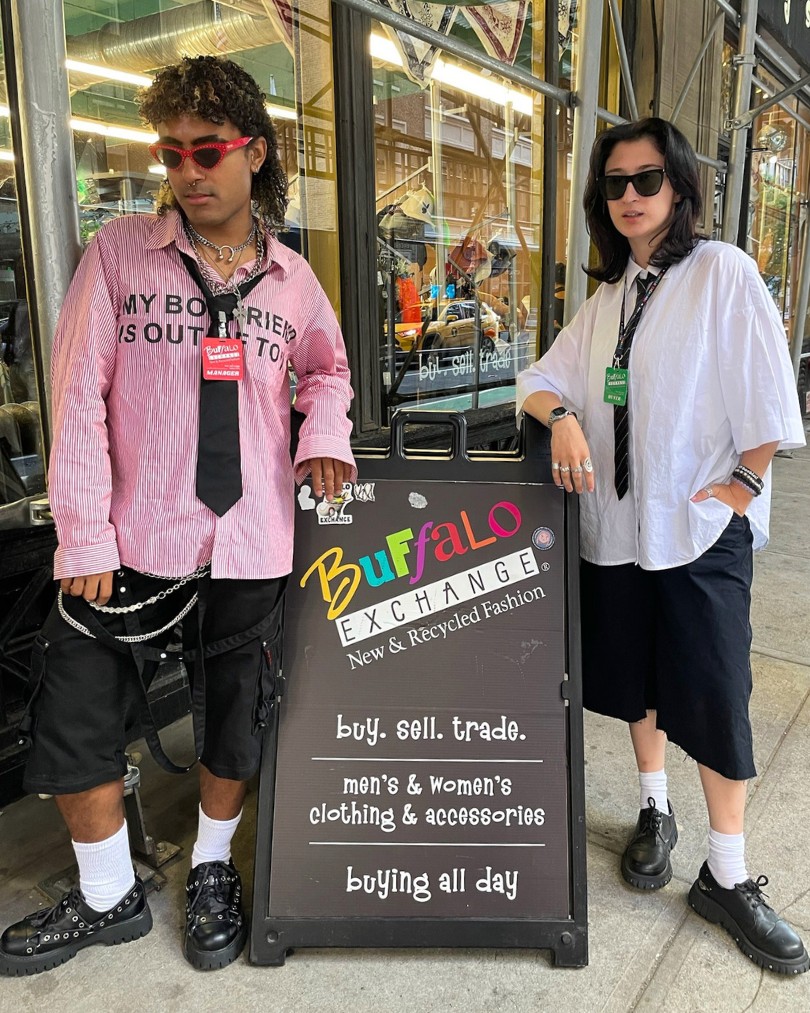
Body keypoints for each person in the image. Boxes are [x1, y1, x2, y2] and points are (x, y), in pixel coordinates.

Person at [0, 55, 355, 976]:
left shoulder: (294, 281)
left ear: (256, 154)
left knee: (237, 716)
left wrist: (325, 430)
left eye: (208, 151)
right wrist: (81, 528)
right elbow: (75, 392)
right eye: (172, 153)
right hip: (128, 538)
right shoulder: (121, 252)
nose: (188, 171)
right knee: (75, 711)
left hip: (252, 537)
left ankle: (207, 869)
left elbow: (327, 369)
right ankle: (109, 893)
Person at [517, 118, 808, 975]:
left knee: (716, 694)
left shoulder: (722, 273)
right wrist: (563, 416)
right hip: (618, 533)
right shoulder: (607, 302)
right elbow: (535, 380)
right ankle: (654, 810)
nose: (631, 196)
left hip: (696, 531)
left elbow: (765, 392)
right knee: (636, 683)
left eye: (647, 179)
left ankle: (727, 873)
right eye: (614, 184)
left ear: (678, 187)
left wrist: (742, 488)